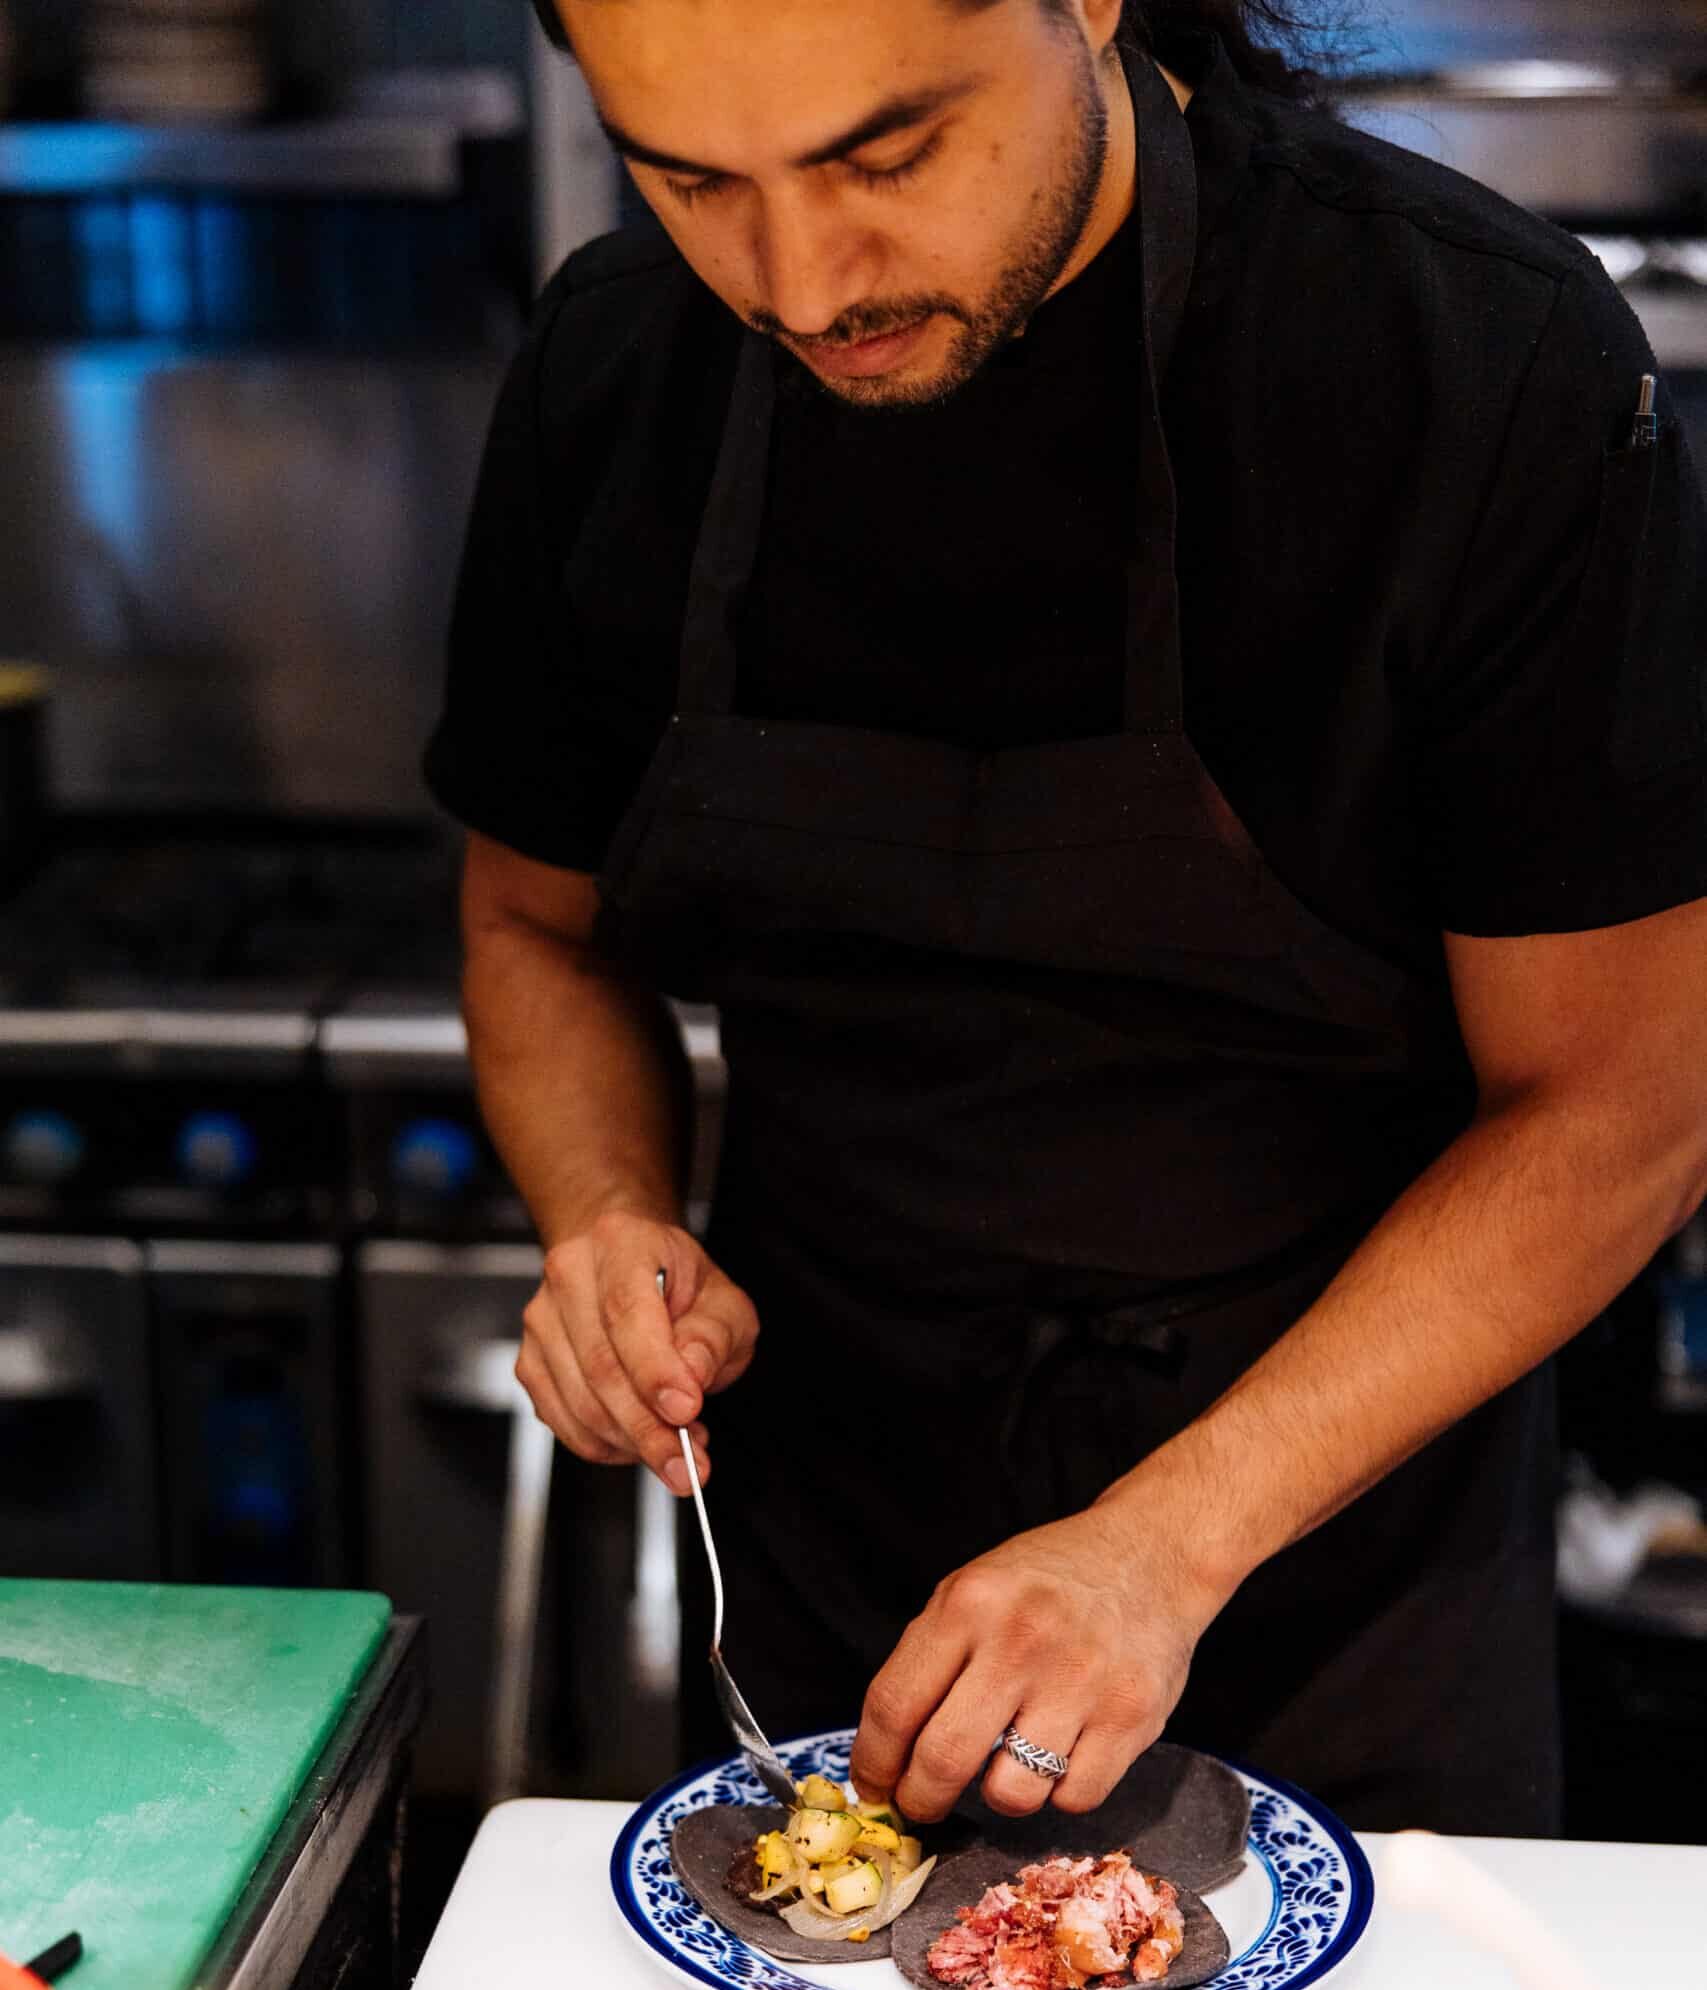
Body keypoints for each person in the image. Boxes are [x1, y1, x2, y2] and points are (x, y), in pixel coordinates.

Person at [426, 0, 1707, 1836]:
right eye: (693, 177)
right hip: (819, 1569)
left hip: (1337, 1576)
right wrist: (609, 1212)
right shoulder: (618, 368)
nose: (798, 282)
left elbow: (1627, 1109)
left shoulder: (1465, 363)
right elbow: (530, 929)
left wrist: (1168, 1544)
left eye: (885, 155)